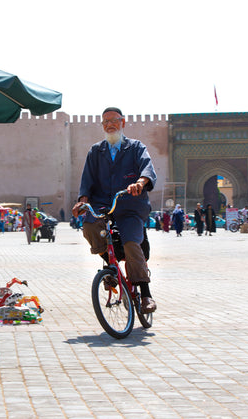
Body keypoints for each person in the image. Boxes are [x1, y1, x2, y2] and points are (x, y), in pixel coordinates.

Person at [72, 107, 157, 314]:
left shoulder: (136, 147)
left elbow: (147, 169)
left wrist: (140, 182)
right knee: (90, 228)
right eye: (106, 122)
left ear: (123, 123)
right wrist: (82, 201)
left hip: (129, 204)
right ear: (102, 125)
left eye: (114, 121)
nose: (110, 124)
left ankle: (145, 294)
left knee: (130, 244)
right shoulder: (96, 151)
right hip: (102, 204)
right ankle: (111, 266)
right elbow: (87, 180)